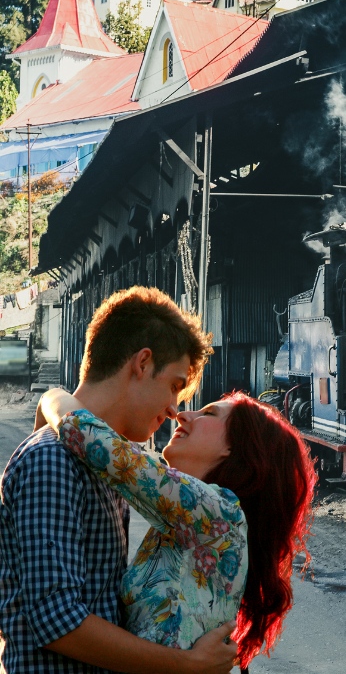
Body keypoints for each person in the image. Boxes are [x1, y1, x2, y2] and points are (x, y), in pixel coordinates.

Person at [0, 287, 233, 673]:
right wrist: (185, 664)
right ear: (142, 363)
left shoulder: (106, 468)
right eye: (175, 386)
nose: (175, 410)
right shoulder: (52, 461)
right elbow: (57, 621)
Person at [37, 387, 315, 672]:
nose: (182, 414)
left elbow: (93, 439)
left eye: (208, 413)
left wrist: (51, 397)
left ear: (233, 447)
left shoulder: (218, 511)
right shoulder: (188, 519)